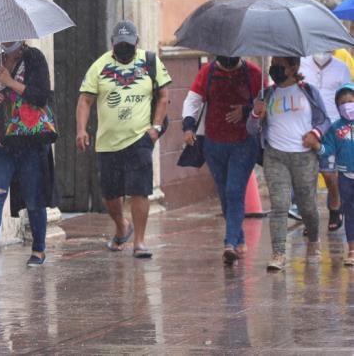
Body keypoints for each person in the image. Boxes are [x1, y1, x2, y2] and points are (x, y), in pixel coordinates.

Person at [76, 20, 171, 258]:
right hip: (107, 141)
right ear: (112, 44)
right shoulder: (99, 66)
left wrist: (156, 128)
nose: (124, 48)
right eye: (120, 45)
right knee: (110, 194)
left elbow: (163, 96)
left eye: (128, 45)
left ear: (137, 42)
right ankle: (121, 226)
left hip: (140, 138)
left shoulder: (150, 62)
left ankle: (139, 241)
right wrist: (81, 129)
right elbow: (85, 100)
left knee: (140, 190)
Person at [0, 41, 56, 269]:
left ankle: (38, 249)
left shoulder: (34, 58)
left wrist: (10, 82)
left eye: (11, 35)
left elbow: (41, 96)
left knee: (34, 198)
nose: (6, 40)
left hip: (29, 139)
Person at [247, 57, 330, 271]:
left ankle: (313, 241)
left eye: (280, 65)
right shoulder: (266, 94)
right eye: (273, 64)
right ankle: (278, 252)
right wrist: (256, 113)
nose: (274, 68)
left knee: (307, 206)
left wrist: (315, 133)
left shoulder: (309, 92)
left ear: (294, 67)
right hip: (275, 156)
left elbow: (325, 120)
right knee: (279, 205)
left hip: (304, 157)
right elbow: (250, 128)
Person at [182, 55, 262, 265]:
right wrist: (188, 127)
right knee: (225, 193)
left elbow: (265, 103)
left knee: (234, 191)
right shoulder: (207, 72)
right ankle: (238, 237)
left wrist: (245, 110)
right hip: (213, 144)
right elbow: (193, 100)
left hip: (244, 143)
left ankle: (229, 243)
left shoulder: (253, 73)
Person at [299, 53, 351, 231]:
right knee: (307, 177)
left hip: (332, 130)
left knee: (330, 175)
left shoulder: (341, 67)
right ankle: (310, 218)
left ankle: (335, 209)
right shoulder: (301, 65)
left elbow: (347, 95)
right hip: (306, 128)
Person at [311, 83, 354, 265]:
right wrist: (318, 147)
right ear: (337, 106)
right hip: (345, 177)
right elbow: (328, 149)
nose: (347, 105)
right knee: (350, 214)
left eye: (351, 101)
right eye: (342, 102)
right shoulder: (335, 128)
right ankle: (352, 251)